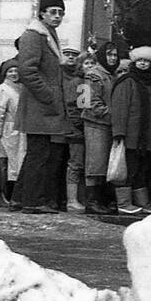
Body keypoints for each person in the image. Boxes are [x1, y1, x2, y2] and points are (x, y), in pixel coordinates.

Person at [14, 0, 72, 214]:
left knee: (37, 153)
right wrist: (49, 95)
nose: (58, 16)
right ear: (42, 14)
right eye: (53, 12)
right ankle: (33, 202)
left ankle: (21, 198)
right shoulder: (33, 35)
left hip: (43, 106)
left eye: (61, 13)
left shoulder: (47, 34)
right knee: (40, 154)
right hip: (40, 105)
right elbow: (26, 71)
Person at [111, 46, 151, 214]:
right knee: (127, 169)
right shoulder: (127, 82)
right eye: (140, 61)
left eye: (146, 61)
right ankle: (124, 203)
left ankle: (142, 202)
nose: (143, 64)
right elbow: (120, 108)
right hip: (131, 135)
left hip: (147, 136)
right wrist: (119, 132)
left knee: (142, 168)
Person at [79, 41, 119, 214]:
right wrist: (111, 114)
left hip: (109, 123)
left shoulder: (113, 75)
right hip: (96, 123)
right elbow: (86, 102)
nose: (112, 58)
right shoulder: (92, 75)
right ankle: (92, 201)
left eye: (115, 55)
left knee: (106, 164)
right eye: (109, 54)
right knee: (95, 163)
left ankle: (102, 199)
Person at [0, 58, 25, 206]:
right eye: (10, 71)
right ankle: (0, 195)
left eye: (16, 71)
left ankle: (14, 196)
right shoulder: (2, 91)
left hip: (19, 131)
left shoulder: (20, 88)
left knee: (16, 165)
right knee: (3, 164)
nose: (14, 74)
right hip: (6, 132)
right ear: (4, 73)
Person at [60, 44, 87, 212]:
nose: (89, 67)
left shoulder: (84, 82)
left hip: (80, 128)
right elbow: (75, 107)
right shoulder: (79, 82)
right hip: (76, 130)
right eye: (86, 64)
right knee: (75, 164)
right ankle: (71, 199)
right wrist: (80, 124)